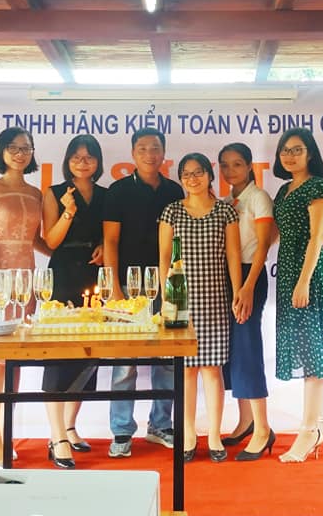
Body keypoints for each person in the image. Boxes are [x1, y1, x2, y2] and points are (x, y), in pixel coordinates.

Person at [103, 127, 185, 458]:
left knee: (167, 360)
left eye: (155, 148)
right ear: (133, 154)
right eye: (142, 148)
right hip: (128, 287)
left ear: (163, 153)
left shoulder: (174, 190)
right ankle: (121, 430)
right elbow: (110, 241)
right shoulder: (118, 190)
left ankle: (160, 425)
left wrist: (173, 288)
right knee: (125, 363)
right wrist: (114, 289)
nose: (150, 154)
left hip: (167, 285)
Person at [159, 153, 243, 463]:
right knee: (185, 370)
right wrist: (165, 298)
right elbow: (163, 258)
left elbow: (233, 256)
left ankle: (215, 435)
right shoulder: (171, 211)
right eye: (186, 174)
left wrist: (237, 292)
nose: (192, 179)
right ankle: (188, 434)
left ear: (209, 175)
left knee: (212, 369)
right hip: (180, 298)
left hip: (215, 297)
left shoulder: (225, 211)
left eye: (198, 172)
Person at [0, 127, 46, 469]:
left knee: (15, 360)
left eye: (26, 148)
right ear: (1, 151)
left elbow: (37, 241)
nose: (20, 153)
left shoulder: (35, 193)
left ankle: (6, 431)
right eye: (14, 148)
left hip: (26, 281)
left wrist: (70, 252)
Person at [271, 127, 323, 463]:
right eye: (284, 150)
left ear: (310, 153)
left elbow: (317, 238)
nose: (289, 156)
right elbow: (275, 233)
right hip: (287, 274)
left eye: (297, 150)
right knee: (305, 347)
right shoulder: (284, 190)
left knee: (314, 353)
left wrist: (303, 281)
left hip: (308, 276)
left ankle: (308, 429)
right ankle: (321, 423)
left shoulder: (317, 188)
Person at [40, 134, 107, 469]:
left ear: (98, 162)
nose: (83, 162)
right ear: (67, 161)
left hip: (94, 277)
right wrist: (68, 212)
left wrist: (106, 247)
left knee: (87, 354)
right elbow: (50, 240)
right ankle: (57, 437)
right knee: (59, 356)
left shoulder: (106, 194)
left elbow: (111, 234)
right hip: (63, 275)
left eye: (89, 156)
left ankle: (69, 425)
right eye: (76, 157)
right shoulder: (54, 193)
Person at [218, 142, 277, 460]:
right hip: (230, 277)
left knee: (248, 348)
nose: (230, 170)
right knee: (235, 352)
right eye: (225, 165)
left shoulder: (259, 198)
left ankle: (263, 429)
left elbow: (263, 246)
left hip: (250, 276)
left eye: (237, 164)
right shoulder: (227, 201)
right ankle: (246, 421)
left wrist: (248, 287)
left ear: (250, 166)